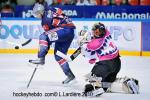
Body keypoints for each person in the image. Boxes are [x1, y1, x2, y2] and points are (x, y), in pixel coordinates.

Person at [77, 22, 139, 96]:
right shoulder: (107, 33)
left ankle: (95, 88)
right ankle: (127, 83)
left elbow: (88, 49)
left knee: (92, 77)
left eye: (98, 32)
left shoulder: (94, 44)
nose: (97, 34)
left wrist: (83, 43)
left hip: (106, 65)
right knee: (106, 85)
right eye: (96, 32)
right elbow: (99, 52)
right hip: (117, 63)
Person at [29, 3, 76, 84]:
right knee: (59, 56)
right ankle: (70, 76)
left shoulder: (45, 21)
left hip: (64, 29)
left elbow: (47, 39)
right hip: (70, 32)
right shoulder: (50, 8)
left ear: (40, 12)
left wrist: (42, 54)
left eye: (36, 14)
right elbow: (60, 12)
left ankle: (41, 59)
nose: (36, 16)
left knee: (43, 36)